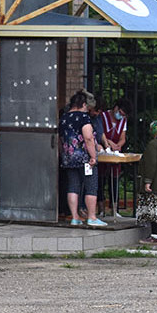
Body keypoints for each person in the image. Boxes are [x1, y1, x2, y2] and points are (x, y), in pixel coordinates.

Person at [60, 90, 105, 227]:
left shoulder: (64, 118)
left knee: (73, 187)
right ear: (83, 104)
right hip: (85, 159)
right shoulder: (84, 118)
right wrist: (93, 156)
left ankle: (75, 217)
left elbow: (60, 139)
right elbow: (88, 138)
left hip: (69, 158)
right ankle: (91, 217)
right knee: (91, 186)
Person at [98, 97, 131, 217]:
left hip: (115, 154)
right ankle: (101, 209)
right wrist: (108, 142)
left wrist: (118, 145)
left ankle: (114, 209)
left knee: (114, 180)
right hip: (103, 151)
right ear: (116, 108)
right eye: (120, 113)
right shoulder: (103, 116)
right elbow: (99, 132)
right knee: (101, 180)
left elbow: (123, 137)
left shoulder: (123, 121)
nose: (120, 116)